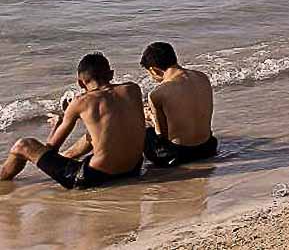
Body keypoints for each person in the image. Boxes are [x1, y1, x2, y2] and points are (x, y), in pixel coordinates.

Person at [1, 53, 146, 189]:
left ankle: (2, 179)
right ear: (111, 74)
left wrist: (58, 123)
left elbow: (51, 150)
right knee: (92, 136)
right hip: (132, 170)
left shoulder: (80, 102)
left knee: (24, 145)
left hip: (95, 177)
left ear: (81, 83)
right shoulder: (132, 89)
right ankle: (68, 157)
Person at [139, 42, 218, 166]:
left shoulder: (157, 93)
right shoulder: (202, 77)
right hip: (208, 147)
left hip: (179, 155)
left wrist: (150, 118)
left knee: (144, 125)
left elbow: (162, 136)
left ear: (154, 70)